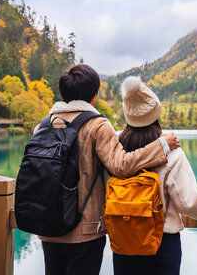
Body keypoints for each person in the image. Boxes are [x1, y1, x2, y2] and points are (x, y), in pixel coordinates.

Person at [36, 64, 180, 275]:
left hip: (49, 227)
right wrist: (162, 146)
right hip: (85, 231)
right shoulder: (97, 125)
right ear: (93, 97)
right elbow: (120, 166)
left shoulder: (43, 126)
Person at [112, 76, 197, 275]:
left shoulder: (116, 152)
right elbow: (188, 204)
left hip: (123, 241)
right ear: (155, 114)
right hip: (161, 242)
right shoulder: (172, 153)